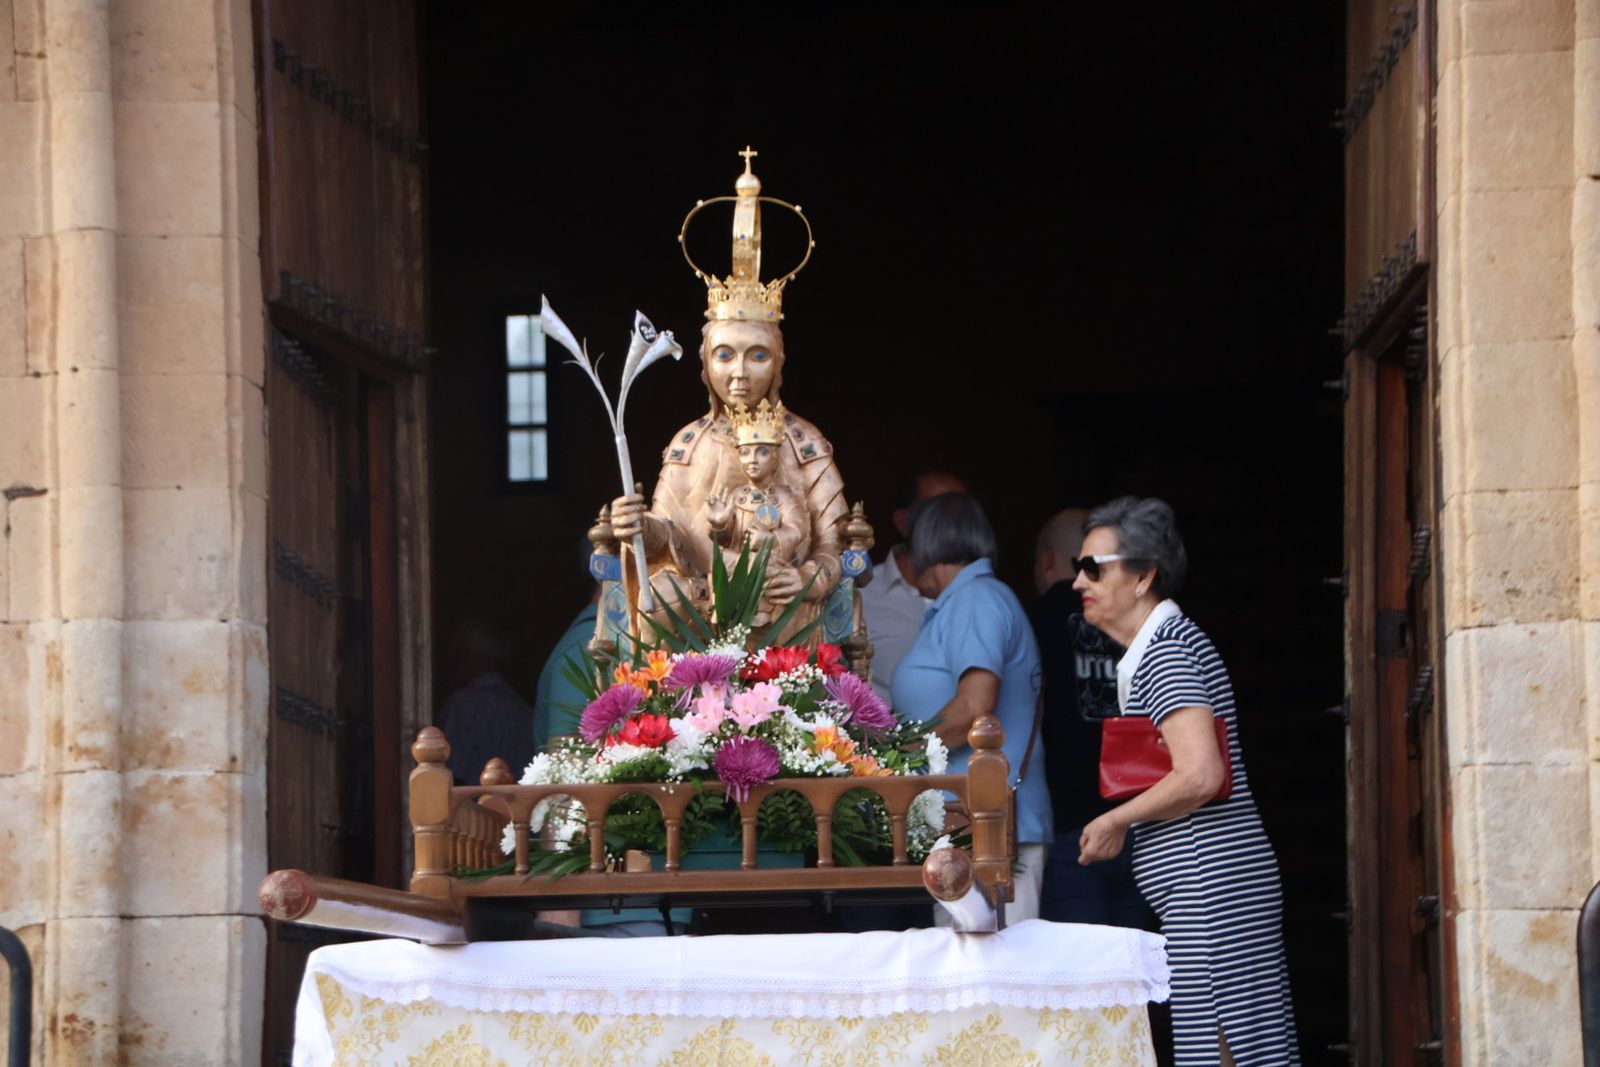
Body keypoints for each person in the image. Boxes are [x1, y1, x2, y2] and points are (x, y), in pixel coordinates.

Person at [1074, 497, 1299, 1065]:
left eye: (1095, 568)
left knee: (1226, 1046)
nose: (1079, 582)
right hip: (1211, 879)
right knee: (1239, 1042)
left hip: (1210, 880)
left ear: (1143, 574)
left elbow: (1200, 774)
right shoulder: (1164, 647)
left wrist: (1116, 819)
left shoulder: (1167, 653)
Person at [890, 492, 1051, 922]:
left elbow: (976, 704)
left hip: (990, 828)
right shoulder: (963, 602)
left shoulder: (976, 599)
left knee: (999, 976)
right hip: (971, 827)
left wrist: (896, 755)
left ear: (926, 546)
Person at [1030, 507, 1150, 928]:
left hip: (1071, 828)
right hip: (1141, 822)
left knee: (1084, 984)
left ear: (1047, 560)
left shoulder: (1039, 618)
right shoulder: (1136, 618)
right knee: (1141, 980)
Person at [705, 400, 814, 632]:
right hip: (738, 564)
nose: (752, 459)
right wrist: (719, 524)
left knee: (760, 566)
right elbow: (725, 540)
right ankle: (724, 616)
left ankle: (757, 617)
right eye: (745, 452)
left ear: (774, 457)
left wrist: (769, 541)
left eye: (761, 452)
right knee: (719, 563)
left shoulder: (783, 496)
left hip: (771, 563)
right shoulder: (737, 495)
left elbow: (798, 529)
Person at [859, 470, 967, 700]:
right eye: (940, 511)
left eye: (964, 512)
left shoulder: (981, 596)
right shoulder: (861, 595)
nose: (957, 523)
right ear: (902, 521)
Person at [435, 620, 534, 786]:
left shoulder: (464, 704)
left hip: (475, 806)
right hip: (520, 806)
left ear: (470, 656)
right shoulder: (521, 706)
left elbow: (449, 773)